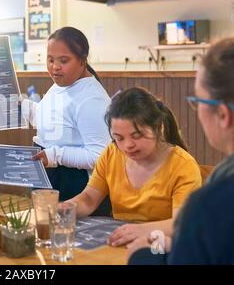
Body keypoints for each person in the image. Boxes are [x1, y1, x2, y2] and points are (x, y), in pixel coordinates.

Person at [128, 38, 234, 264]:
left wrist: (143, 255)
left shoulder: (211, 203)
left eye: (197, 101)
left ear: (223, 115)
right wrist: (167, 244)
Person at [68, 87, 202, 247]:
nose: (128, 146)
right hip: (120, 241)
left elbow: (181, 224)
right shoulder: (112, 153)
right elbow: (89, 199)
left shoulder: (182, 165)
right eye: (119, 138)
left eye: (136, 136)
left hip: (160, 244)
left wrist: (142, 230)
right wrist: (66, 208)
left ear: (158, 127)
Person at [24, 27, 111, 203]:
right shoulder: (62, 83)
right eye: (50, 60)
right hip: (48, 172)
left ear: (82, 61)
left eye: (63, 60)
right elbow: (55, 122)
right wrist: (25, 109)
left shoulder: (92, 99)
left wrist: (55, 156)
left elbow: (99, 156)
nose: (55, 67)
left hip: (75, 184)